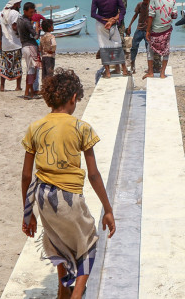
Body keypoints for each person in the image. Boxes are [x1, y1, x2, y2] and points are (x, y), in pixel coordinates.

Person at [20, 68, 115, 298]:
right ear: (73, 98)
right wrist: (108, 209)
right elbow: (93, 175)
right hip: (68, 197)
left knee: (58, 241)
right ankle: (77, 293)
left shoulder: (35, 128)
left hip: (42, 197)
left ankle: (63, 290)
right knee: (89, 243)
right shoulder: (81, 128)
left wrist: (28, 212)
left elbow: (25, 175)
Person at [91, 0, 128, 78]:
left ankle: (107, 72)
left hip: (101, 24)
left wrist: (104, 20)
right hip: (113, 24)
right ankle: (124, 70)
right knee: (118, 44)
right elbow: (123, 10)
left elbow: (93, 14)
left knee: (103, 46)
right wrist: (114, 20)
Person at [144, 0, 175, 79]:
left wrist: (148, 31)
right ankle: (162, 73)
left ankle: (151, 72)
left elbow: (151, 15)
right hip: (166, 29)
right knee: (166, 50)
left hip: (155, 30)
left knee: (150, 50)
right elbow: (174, 15)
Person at [0, 0, 23, 91]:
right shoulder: (15, 13)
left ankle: (2, 86)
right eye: (19, 4)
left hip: (5, 44)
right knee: (17, 65)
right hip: (16, 43)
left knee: (4, 65)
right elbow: (15, 26)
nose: (20, 6)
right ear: (15, 4)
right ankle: (18, 86)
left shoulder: (2, 13)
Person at [18, 2, 42, 98]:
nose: (32, 14)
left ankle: (30, 92)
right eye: (31, 12)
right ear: (25, 11)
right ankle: (27, 93)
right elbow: (35, 36)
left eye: (33, 12)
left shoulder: (19, 20)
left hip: (24, 46)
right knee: (31, 70)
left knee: (30, 69)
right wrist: (39, 30)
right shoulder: (27, 22)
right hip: (30, 46)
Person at [125, 0, 151, 74]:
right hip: (139, 29)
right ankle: (132, 67)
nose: (145, 2)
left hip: (148, 30)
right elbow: (135, 15)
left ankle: (149, 68)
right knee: (134, 47)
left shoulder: (151, 6)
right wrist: (130, 25)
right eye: (144, 0)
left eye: (146, 0)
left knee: (149, 49)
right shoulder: (140, 5)